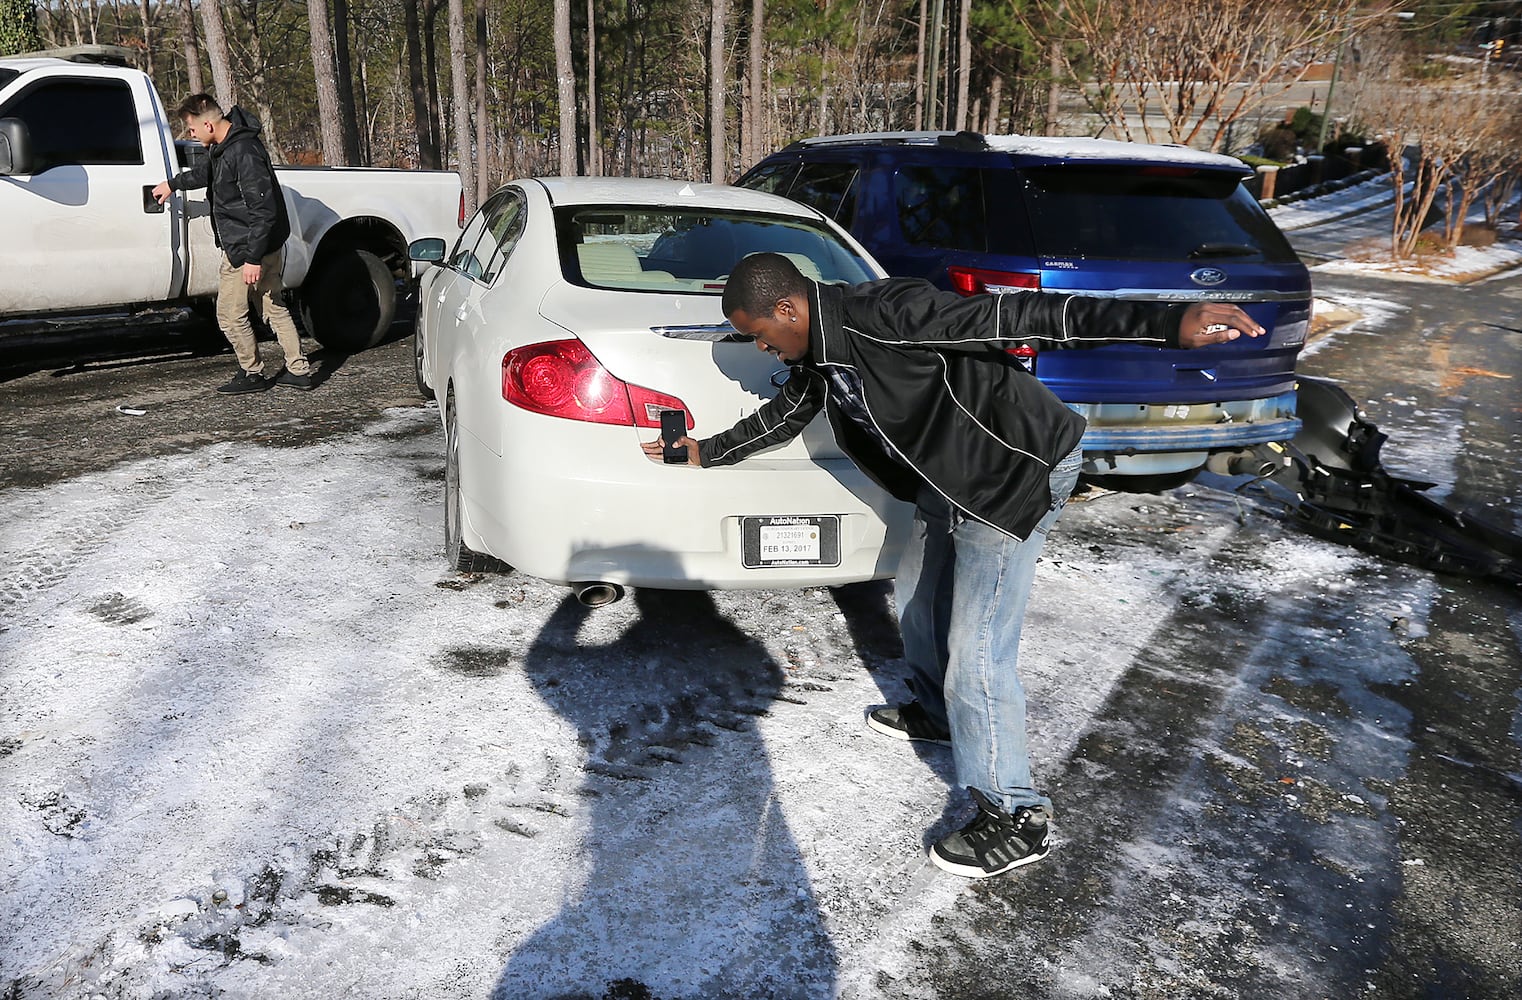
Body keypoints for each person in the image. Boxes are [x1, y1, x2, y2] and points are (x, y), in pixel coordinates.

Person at [642, 252, 1264, 879]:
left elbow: (1021, 311)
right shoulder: (817, 351)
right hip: (948, 480)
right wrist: (706, 451)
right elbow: (790, 411)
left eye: (758, 335)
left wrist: (1167, 322)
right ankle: (937, 714)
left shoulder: (889, 313)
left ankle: (1016, 813)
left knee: (978, 654)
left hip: (1009, 474)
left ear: (787, 309)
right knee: (916, 599)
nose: (762, 348)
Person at [152, 95, 315, 394]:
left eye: (191, 129)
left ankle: (252, 374)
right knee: (273, 306)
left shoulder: (244, 152)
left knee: (229, 314)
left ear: (208, 124)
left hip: (247, 248)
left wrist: (252, 258)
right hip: (257, 244)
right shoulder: (226, 147)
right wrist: (172, 184)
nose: (189, 135)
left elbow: (263, 211)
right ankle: (299, 370)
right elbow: (207, 175)